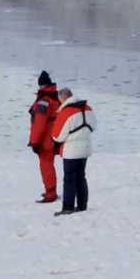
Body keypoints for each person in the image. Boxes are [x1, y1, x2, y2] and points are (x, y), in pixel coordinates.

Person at [52, 86, 94, 214]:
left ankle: (68, 207)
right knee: (81, 177)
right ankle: (82, 206)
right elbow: (94, 126)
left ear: (63, 97)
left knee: (69, 179)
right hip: (86, 148)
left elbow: (57, 136)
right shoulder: (87, 108)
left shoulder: (66, 112)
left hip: (71, 151)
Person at [28, 71, 62, 203]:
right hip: (56, 136)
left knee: (46, 165)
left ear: (42, 85)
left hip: (46, 139)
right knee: (49, 164)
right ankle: (51, 190)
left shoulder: (44, 101)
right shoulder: (57, 97)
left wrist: (34, 142)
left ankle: (50, 193)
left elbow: (39, 123)